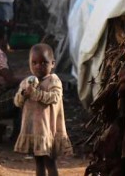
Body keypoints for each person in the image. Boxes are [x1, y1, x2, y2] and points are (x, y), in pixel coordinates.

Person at [14, 44, 73, 176]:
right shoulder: (26, 82)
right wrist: (23, 94)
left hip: (47, 132)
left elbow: (54, 97)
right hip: (34, 131)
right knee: (38, 163)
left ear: (52, 64)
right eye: (34, 63)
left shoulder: (54, 81)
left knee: (49, 162)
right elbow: (18, 102)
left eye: (43, 63)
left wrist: (35, 94)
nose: (38, 66)